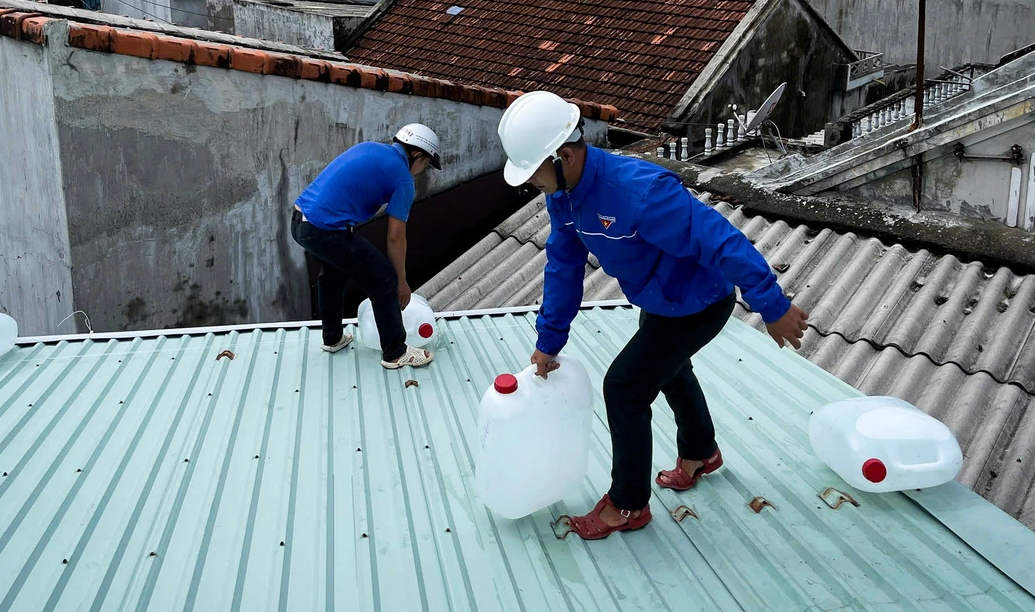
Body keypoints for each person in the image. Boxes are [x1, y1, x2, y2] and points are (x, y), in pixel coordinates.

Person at [497, 91, 809, 540]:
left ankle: (627, 506)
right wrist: (549, 340)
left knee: (624, 387)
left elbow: (721, 241)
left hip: (700, 302)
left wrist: (772, 306)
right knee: (669, 370)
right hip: (660, 300)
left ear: (563, 155)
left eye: (533, 174)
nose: (532, 184)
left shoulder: (639, 191)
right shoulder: (564, 196)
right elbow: (563, 265)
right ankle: (701, 453)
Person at [292, 124, 442, 370]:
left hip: (300, 221)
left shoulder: (370, 147)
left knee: (333, 274)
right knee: (383, 278)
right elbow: (395, 237)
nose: (421, 171)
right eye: (425, 165)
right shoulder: (403, 178)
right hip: (324, 229)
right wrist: (401, 281)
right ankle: (396, 352)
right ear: (417, 155)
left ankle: (333, 338)